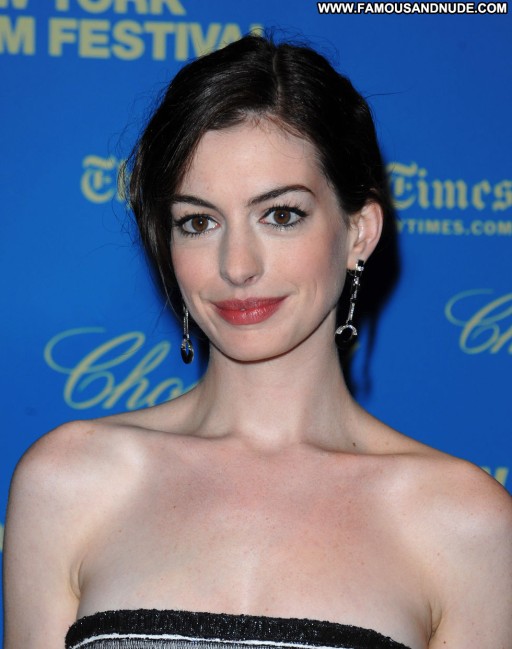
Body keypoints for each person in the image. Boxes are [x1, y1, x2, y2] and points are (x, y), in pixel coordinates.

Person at [3, 34, 512, 649]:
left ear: (359, 231)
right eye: (198, 221)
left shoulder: (463, 522)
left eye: (280, 214)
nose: (236, 265)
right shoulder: (69, 482)